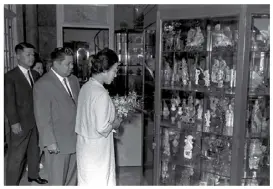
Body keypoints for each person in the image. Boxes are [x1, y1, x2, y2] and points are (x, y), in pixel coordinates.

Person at [33, 47, 80, 185]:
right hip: (57, 142)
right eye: (68, 64)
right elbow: (42, 116)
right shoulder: (43, 84)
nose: (72, 67)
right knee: (58, 180)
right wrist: (49, 142)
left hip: (75, 138)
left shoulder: (74, 80)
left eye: (72, 63)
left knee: (72, 179)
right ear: (56, 63)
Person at [75, 48, 122, 186]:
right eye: (114, 70)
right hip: (97, 148)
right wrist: (115, 123)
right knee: (100, 180)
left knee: (87, 180)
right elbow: (102, 128)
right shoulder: (101, 93)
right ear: (104, 70)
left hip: (84, 144)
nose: (116, 74)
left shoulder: (86, 87)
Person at [4, 42, 48, 185]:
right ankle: (11, 184)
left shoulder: (35, 74)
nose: (31, 58)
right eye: (27, 54)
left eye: (33, 54)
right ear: (18, 56)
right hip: (20, 123)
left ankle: (33, 175)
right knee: (16, 157)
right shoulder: (10, 76)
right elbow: (9, 102)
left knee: (34, 150)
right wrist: (14, 122)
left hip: (35, 121)